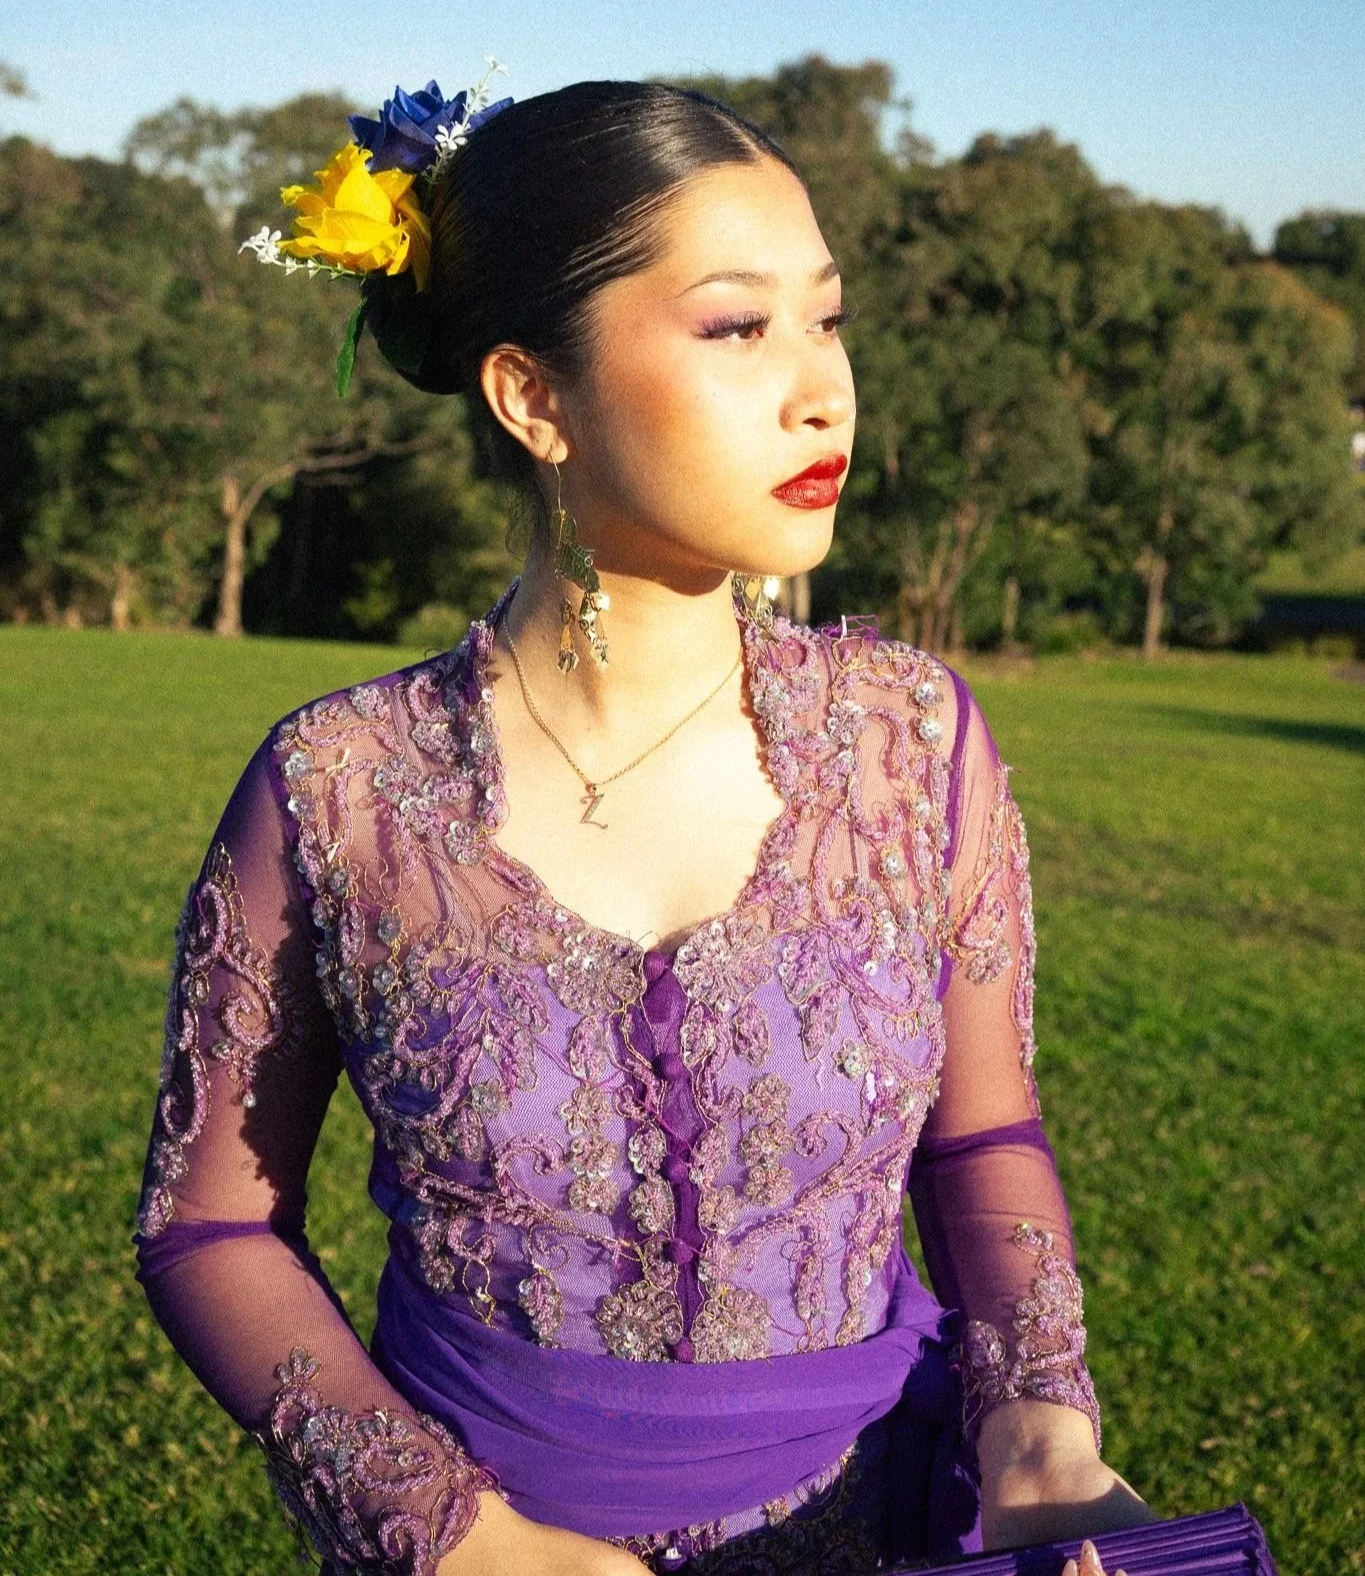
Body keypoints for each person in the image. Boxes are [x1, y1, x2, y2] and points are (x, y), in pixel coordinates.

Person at [131, 76, 1159, 1576]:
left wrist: (1040, 1422)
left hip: (870, 1531)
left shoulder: (915, 744)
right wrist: (462, 1537)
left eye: (829, 318)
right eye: (740, 326)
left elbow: (984, 1129)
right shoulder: (339, 787)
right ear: (531, 396)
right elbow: (209, 1224)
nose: (824, 388)